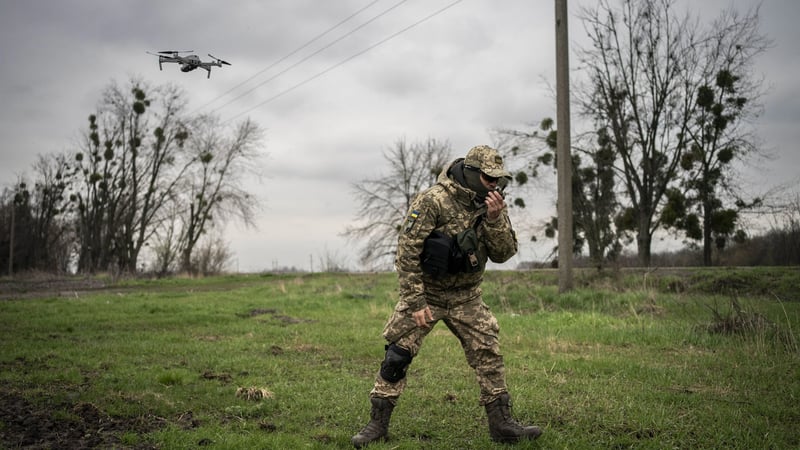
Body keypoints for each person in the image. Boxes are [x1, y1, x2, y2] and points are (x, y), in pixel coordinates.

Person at [351, 145, 542, 447]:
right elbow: (407, 251)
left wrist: (494, 220)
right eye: (489, 178)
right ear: (471, 173)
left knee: (488, 354)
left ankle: (502, 425)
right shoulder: (433, 200)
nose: (495, 185)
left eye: (498, 179)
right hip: (428, 294)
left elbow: (504, 254)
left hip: (467, 296)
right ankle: (377, 425)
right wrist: (415, 302)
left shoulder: (492, 205)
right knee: (397, 356)